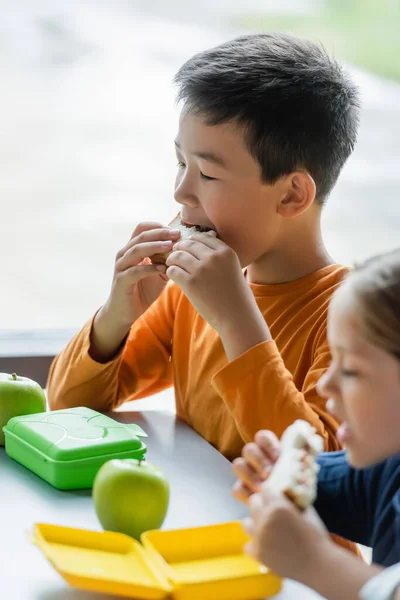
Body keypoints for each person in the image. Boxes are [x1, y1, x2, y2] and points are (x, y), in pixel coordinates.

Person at [47, 33, 360, 460]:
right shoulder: (188, 296)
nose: (181, 192)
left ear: (291, 196)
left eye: (208, 175)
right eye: (181, 163)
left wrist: (237, 323)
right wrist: (115, 318)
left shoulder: (355, 319)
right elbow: (67, 409)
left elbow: (321, 474)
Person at [233, 249, 400, 599]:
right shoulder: (388, 469)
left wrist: (315, 562)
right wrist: (280, 473)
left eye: (351, 369)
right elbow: (322, 484)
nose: (326, 385)